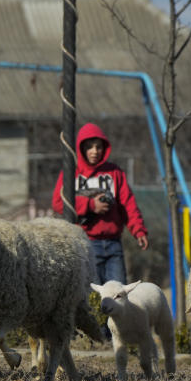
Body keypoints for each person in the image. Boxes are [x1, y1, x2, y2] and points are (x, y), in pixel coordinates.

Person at [51, 122, 149, 286]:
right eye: (89, 147)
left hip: (113, 245)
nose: (94, 151)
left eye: (98, 147)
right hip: (85, 244)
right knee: (94, 297)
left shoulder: (114, 172)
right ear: (81, 149)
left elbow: (128, 204)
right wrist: (90, 205)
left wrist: (139, 230)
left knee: (119, 295)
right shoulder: (71, 173)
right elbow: (58, 203)